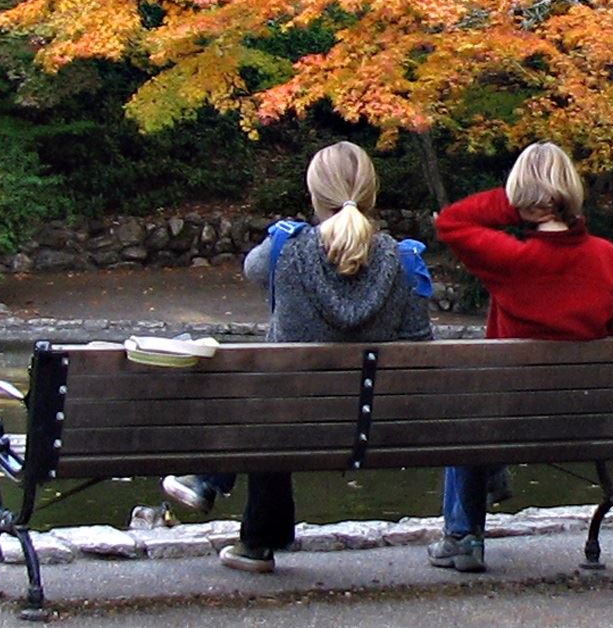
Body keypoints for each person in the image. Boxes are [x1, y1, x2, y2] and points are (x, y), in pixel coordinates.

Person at [174, 141, 432, 574]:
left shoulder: (283, 252)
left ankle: (219, 491)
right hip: (375, 426)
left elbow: (252, 269)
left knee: (266, 394)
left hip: (286, 423)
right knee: (272, 396)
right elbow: (419, 346)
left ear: (315, 196)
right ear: (371, 194)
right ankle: (244, 521)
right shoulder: (405, 261)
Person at [428, 141, 613, 574]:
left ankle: (464, 536)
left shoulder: (512, 258)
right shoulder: (606, 257)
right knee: (481, 408)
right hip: (589, 422)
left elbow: (452, 221)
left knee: (465, 414)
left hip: (506, 421)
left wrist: (517, 203)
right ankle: (480, 495)